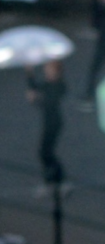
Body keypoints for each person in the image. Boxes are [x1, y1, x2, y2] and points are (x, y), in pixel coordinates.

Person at [26, 59, 66, 192]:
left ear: (55, 71)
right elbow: (36, 88)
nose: (45, 71)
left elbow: (48, 103)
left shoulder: (57, 86)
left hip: (53, 123)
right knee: (46, 152)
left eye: (48, 69)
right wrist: (30, 73)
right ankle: (54, 181)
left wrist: (35, 99)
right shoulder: (50, 83)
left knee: (45, 152)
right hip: (50, 122)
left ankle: (58, 180)